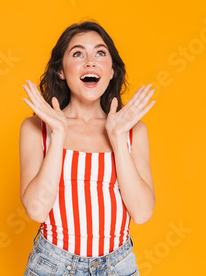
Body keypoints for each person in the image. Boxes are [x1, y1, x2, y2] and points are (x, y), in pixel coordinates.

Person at [20, 21, 155, 276]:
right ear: (61, 71)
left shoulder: (132, 132)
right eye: (78, 53)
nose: (90, 62)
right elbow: (37, 209)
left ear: (112, 71)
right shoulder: (35, 129)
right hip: (52, 266)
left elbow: (142, 212)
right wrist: (58, 134)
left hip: (118, 266)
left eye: (100, 53)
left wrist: (117, 137)